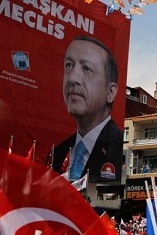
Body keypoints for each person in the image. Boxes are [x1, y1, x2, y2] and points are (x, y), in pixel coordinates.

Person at [53, 35, 123, 182]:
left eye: (87, 69)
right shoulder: (57, 153)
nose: (73, 78)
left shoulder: (118, 150)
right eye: (69, 65)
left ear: (110, 92)